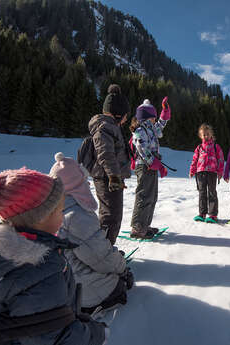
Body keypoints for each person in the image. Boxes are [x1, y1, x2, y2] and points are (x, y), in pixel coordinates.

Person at [0, 168, 108, 345]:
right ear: (42, 217)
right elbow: (53, 336)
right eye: (60, 211)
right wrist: (96, 334)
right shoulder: (41, 267)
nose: (62, 216)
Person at [49, 153, 134, 314]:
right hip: (81, 290)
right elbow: (101, 258)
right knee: (118, 284)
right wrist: (122, 268)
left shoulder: (49, 209)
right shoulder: (77, 215)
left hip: (58, 284)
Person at [88, 84, 131, 244]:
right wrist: (113, 176)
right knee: (110, 217)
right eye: (126, 115)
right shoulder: (105, 127)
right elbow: (105, 153)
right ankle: (102, 252)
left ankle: (105, 250)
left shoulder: (111, 127)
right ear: (118, 114)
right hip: (107, 178)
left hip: (111, 178)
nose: (127, 118)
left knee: (113, 215)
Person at [130, 97, 171, 239]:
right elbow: (142, 149)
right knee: (144, 196)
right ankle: (137, 227)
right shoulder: (140, 131)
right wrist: (154, 163)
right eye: (154, 117)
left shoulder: (150, 129)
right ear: (148, 118)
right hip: (144, 167)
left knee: (151, 197)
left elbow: (160, 126)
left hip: (151, 166)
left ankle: (145, 224)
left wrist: (165, 112)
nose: (155, 120)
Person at [189, 123, 224, 223]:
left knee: (212, 192)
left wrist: (220, 171)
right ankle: (202, 213)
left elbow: (221, 159)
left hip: (212, 172)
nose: (206, 136)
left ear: (211, 134)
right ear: (200, 136)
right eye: (204, 134)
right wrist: (192, 170)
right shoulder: (199, 148)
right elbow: (194, 160)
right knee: (202, 193)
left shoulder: (216, 147)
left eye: (207, 134)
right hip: (200, 172)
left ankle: (213, 214)